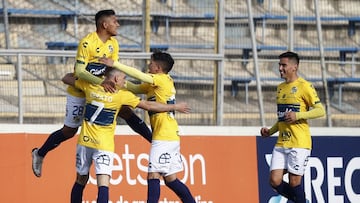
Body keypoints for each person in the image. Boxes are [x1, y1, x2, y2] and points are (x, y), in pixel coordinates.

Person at [31, 9, 152, 178]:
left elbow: (112, 70)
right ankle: (40, 153)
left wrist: (125, 86)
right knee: (69, 131)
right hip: (80, 91)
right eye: (115, 21)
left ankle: (153, 141)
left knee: (125, 109)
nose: (118, 25)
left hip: (99, 90)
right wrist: (101, 82)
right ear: (105, 24)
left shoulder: (113, 44)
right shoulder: (87, 43)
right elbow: (79, 72)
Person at [62, 68, 190, 203]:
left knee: (80, 180)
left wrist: (96, 81)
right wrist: (175, 107)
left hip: (85, 141)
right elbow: (148, 105)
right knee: (103, 185)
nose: (125, 81)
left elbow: (66, 78)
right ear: (116, 79)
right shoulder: (122, 95)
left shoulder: (90, 86)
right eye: (124, 78)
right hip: (104, 145)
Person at [100, 50, 196, 203]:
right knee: (171, 179)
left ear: (157, 68)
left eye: (151, 63)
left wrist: (116, 64)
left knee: (153, 175)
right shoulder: (157, 83)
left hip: (164, 135)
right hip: (169, 134)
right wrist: (118, 82)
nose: (148, 65)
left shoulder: (161, 79)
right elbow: (136, 87)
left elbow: (140, 76)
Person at [260, 51, 325, 203]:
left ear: (294, 67)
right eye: (279, 65)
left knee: (295, 182)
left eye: (284, 65)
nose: (280, 68)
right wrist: (270, 131)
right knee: (274, 181)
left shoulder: (304, 86)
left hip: (299, 143)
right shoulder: (280, 88)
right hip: (282, 142)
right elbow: (282, 118)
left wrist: (298, 115)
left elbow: (320, 110)